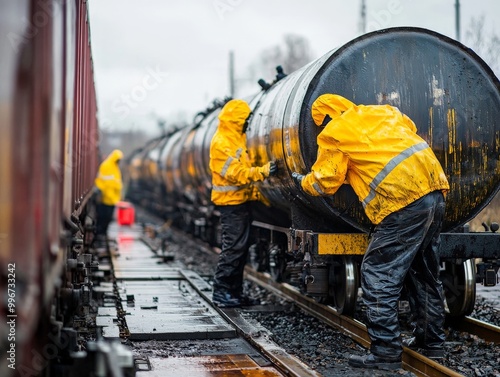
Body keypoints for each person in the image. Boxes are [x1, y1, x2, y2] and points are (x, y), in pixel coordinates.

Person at [291, 94, 450, 371]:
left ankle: (386, 352)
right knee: (423, 272)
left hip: (401, 201)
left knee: (378, 275)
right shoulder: (383, 113)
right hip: (434, 192)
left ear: (325, 119)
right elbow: (408, 129)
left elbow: (326, 181)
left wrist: (302, 182)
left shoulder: (334, 133)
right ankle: (432, 342)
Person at [209, 99, 277, 307]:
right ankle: (222, 293)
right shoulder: (221, 143)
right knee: (233, 249)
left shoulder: (236, 139)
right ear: (236, 119)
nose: (248, 123)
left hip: (241, 202)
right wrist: (262, 172)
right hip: (231, 205)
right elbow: (235, 174)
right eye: (245, 119)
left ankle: (234, 293)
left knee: (241, 249)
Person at [94, 149, 124, 246]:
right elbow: (101, 181)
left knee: (108, 218)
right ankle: (100, 235)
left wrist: (118, 197)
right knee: (103, 217)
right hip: (105, 198)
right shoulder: (106, 165)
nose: (119, 161)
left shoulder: (115, 167)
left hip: (112, 199)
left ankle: (103, 234)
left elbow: (117, 183)